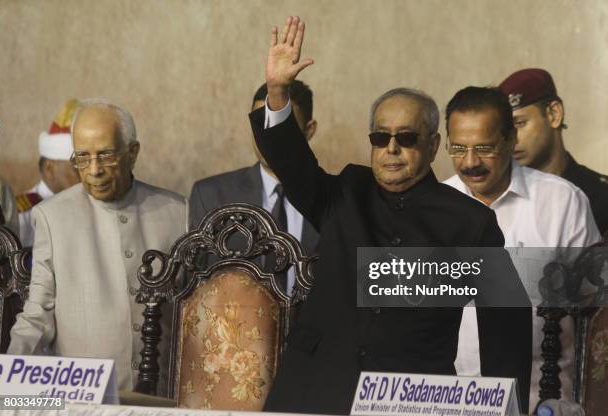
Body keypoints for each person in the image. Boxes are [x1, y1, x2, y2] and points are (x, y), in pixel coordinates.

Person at [250, 16, 532, 414]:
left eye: (407, 138)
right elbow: (289, 160)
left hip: (412, 398)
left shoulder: (470, 222)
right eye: (381, 137)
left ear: (433, 145)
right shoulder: (344, 193)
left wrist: (507, 406)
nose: (392, 149)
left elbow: (505, 325)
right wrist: (278, 91)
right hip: (316, 388)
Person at [8, 98, 188, 393]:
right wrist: (7, 378)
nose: (94, 170)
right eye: (82, 157)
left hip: (165, 395)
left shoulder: (177, 211)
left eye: (105, 155)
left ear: (133, 153)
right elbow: (38, 311)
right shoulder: (53, 217)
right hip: (85, 397)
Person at [442, 86, 601, 411]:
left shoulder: (561, 202)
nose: (470, 162)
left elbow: (595, 308)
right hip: (450, 398)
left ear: (511, 139)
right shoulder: (436, 205)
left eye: (484, 148)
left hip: (542, 400)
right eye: (458, 148)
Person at [189, 81, 319, 294]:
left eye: (282, 125)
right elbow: (193, 290)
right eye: (261, 124)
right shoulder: (212, 196)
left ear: (309, 130)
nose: (268, 137)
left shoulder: (339, 201)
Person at [499, 68, 608, 235]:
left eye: (519, 123)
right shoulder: (497, 197)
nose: (511, 139)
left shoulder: (601, 196)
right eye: (505, 130)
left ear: (554, 114)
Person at [16, 99, 80, 247]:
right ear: (50, 168)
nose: (88, 173)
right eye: (77, 165)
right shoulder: (21, 213)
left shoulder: (89, 206)